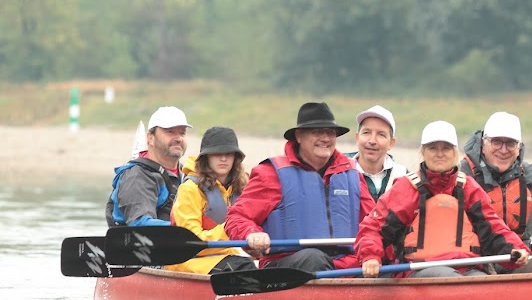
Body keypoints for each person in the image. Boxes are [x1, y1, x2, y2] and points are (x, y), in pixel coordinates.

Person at [357, 121, 530, 278]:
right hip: (421, 270)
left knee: (481, 282)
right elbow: (373, 228)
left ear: (454, 152)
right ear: (423, 152)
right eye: (433, 148)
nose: (440, 154)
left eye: (446, 148)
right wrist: (371, 256)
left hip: (467, 267)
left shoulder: (468, 187)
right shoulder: (407, 188)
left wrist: (515, 248)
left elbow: (493, 227)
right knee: (453, 279)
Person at [224, 102, 375, 272]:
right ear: (299, 136)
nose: (325, 138)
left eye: (330, 133)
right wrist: (251, 232)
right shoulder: (271, 174)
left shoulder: (352, 173)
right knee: (314, 258)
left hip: (344, 266)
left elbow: (375, 223)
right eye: (317, 132)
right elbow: (236, 217)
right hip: (289, 267)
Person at [460, 111, 532, 273]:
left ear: (519, 147)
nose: (503, 150)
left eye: (510, 143)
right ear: (483, 143)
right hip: (474, 262)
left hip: (519, 260)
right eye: (496, 142)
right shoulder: (461, 176)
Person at [164, 127, 256, 274]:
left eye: (228, 154)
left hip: (226, 255)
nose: (223, 159)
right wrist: (232, 229)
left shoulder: (243, 187)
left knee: (265, 265)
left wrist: (257, 245)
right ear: (206, 158)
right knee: (242, 267)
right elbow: (191, 243)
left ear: (235, 158)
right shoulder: (190, 189)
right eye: (217, 154)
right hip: (189, 260)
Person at [106, 106, 190, 227]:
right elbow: (140, 224)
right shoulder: (136, 176)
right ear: (150, 138)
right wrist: (189, 228)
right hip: (139, 244)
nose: (178, 138)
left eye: (182, 133)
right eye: (170, 132)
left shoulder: (188, 174)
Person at [346, 105, 408, 202]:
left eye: (381, 134)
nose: (372, 141)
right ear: (357, 138)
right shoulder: (340, 171)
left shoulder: (403, 176)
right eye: (366, 132)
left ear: (391, 143)